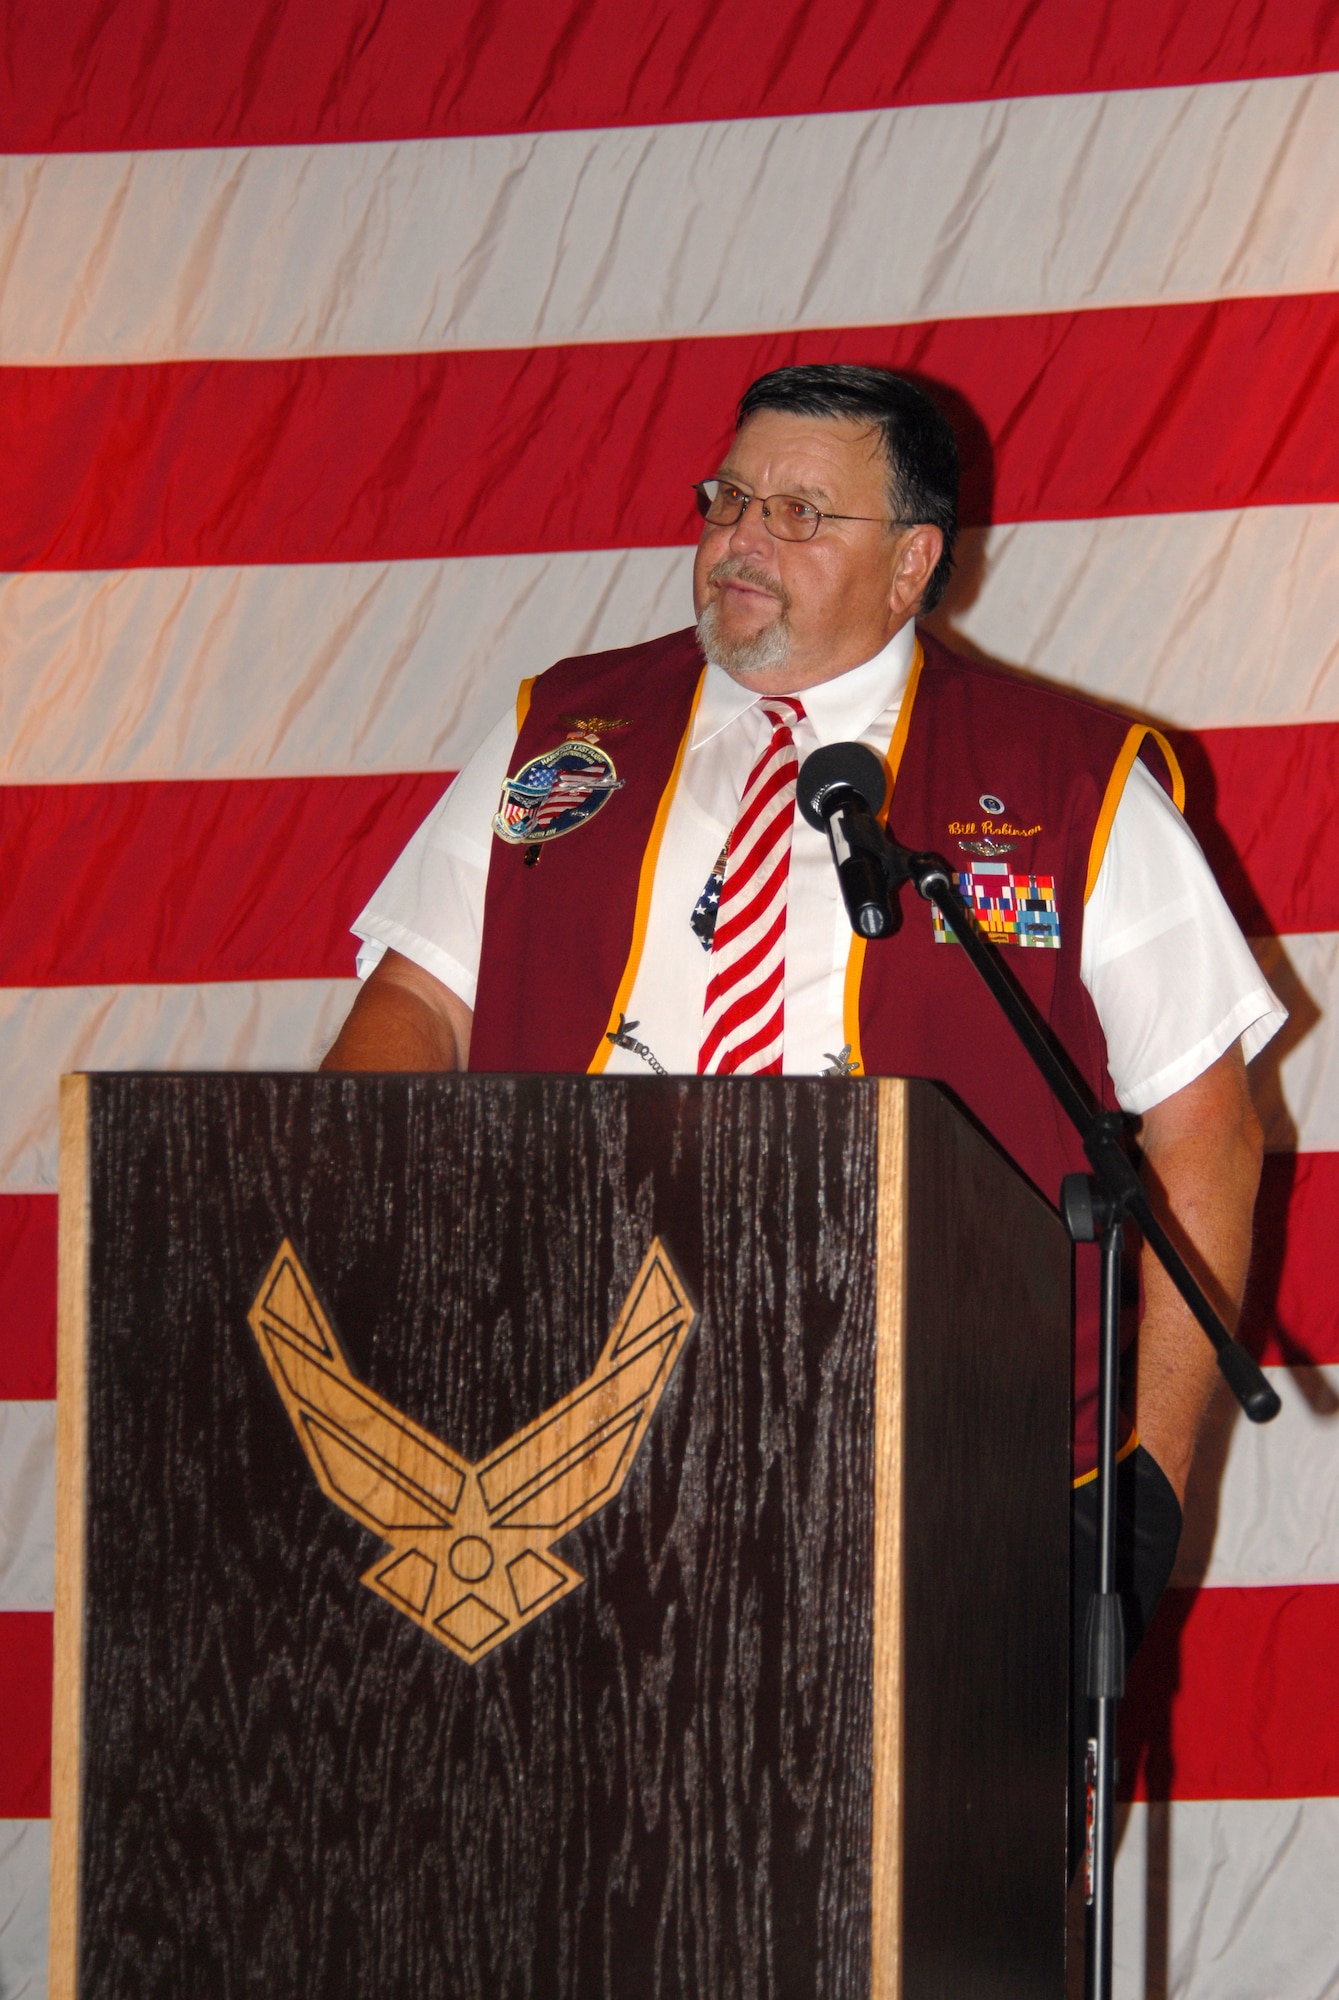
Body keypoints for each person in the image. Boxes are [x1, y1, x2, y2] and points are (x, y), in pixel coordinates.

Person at [321, 364, 1282, 1865]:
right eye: (728, 499)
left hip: (935, 1463)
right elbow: (418, 1006)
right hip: (562, 1448)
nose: (741, 540)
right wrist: (359, 1253)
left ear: (915, 561)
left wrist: (1141, 1482)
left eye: (800, 512)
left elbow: (1202, 1135)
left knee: (902, 1898)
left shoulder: (1070, 780)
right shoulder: (567, 733)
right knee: (572, 1881)